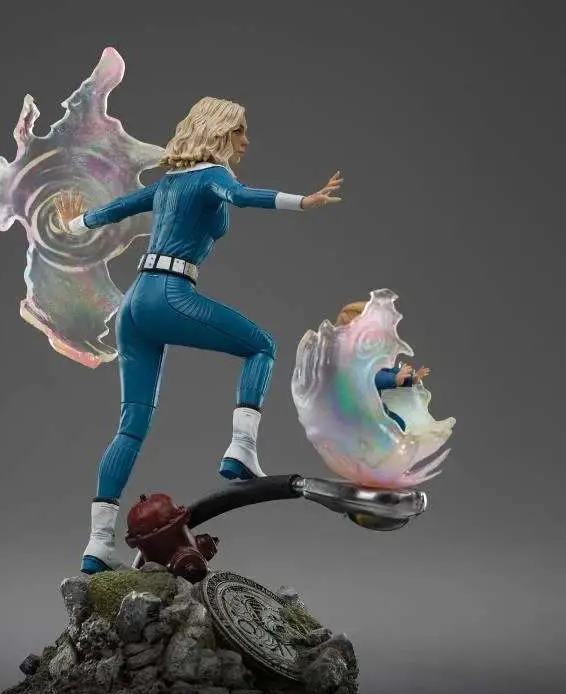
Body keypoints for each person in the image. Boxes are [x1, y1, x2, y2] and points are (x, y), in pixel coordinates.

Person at [57, 96, 343, 573]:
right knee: (262, 346)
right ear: (218, 131)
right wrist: (303, 201)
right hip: (168, 294)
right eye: (239, 130)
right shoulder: (214, 175)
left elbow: (115, 210)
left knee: (131, 425)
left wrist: (72, 222)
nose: (246, 140)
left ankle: (97, 545)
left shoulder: (169, 183)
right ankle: (241, 448)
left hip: (134, 304)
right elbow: (242, 196)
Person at [335, 301, 430, 431]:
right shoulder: (351, 365)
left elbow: (385, 370)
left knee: (399, 424)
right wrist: (395, 379)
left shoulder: (368, 359)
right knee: (395, 426)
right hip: (363, 416)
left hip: (374, 411)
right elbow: (374, 378)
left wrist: (410, 379)